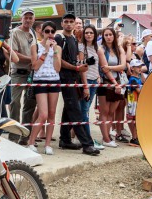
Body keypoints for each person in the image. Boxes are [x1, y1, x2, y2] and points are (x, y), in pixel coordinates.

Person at [54, 13, 99, 156]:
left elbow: (74, 61)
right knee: (75, 110)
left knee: (69, 109)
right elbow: (59, 60)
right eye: (66, 21)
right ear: (62, 23)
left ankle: (65, 140)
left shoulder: (73, 39)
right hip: (64, 78)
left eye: (71, 22)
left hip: (73, 78)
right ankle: (87, 144)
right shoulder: (59, 38)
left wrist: (82, 64)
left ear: (74, 24)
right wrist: (76, 68)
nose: (68, 24)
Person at [25, 22, 61, 155]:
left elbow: (58, 68)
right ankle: (31, 142)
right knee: (43, 114)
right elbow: (35, 66)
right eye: (47, 31)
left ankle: (47, 144)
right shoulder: (35, 46)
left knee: (52, 114)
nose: (50, 34)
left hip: (54, 81)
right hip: (40, 81)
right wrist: (45, 51)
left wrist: (55, 51)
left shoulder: (58, 48)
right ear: (42, 32)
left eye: (52, 31)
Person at [8, 9, 37, 144]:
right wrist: (33, 59)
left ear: (34, 20)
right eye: (26, 17)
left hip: (31, 73)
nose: (28, 20)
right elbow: (14, 54)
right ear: (21, 19)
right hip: (18, 73)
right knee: (15, 103)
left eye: (30, 18)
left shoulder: (33, 33)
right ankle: (13, 136)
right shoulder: (14, 33)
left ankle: (25, 136)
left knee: (29, 104)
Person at [96, 27, 125, 148]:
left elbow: (123, 66)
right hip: (105, 82)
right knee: (104, 111)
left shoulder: (119, 49)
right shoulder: (101, 49)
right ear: (103, 37)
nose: (108, 37)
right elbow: (104, 68)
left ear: (114, 36)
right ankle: (106, 138)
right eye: (106, 35)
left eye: (110, 35)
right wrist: (114, 82)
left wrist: (111, 68)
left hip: (117, 81)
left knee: (112, 111)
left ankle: (107, 136)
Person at [79, 25, 104, 149]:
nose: (88, 35)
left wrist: (98, 75)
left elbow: (98, 65)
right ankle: (88, 139)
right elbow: (81, 68)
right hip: (86, 81)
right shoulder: (81, 47)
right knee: (84, 111)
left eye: (91, 33)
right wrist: (85, 86)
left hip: (94, 81)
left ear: (95, 35)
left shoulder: (97, 48)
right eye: (86, 33)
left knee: (86, 110)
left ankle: (81, 137)